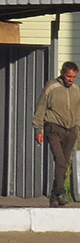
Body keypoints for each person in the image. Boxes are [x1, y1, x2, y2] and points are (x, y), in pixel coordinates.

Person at [33, 61, 80, 207]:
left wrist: (77, 127)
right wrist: (38, 129)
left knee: (65, 163)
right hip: (53, 128)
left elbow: (78, 110)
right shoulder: (51, 86)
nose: (70, 79)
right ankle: (61, 191)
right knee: (60, 160)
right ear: (62, 73)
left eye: (73, 77)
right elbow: (41, 107)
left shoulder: (76, 90)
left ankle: (54, 196)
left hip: (71, 130)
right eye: (68, 76)